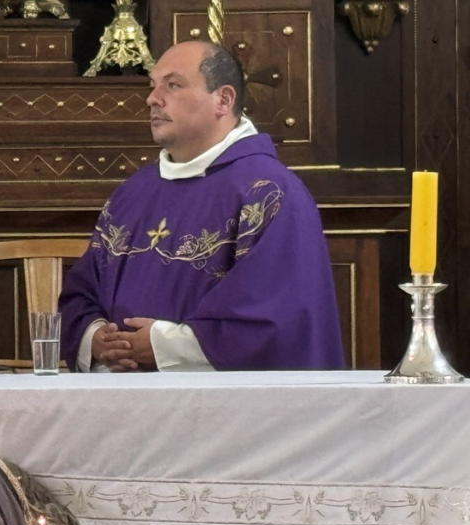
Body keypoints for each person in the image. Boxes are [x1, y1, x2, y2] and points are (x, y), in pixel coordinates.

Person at [59, 41, 343, 372]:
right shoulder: (133, 193)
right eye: (153, 86)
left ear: (223, 100)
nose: (153, 98)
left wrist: (163, 346)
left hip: (223, 412)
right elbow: (81, 294)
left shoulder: (268, 192)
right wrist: (96, 339)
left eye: (173, 85)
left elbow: (276, 321)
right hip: (121, 400)